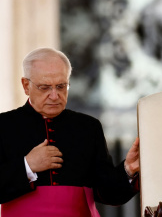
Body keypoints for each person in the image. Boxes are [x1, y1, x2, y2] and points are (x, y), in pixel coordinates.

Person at [0, 47, 140, 216]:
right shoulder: (4, 125)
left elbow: (108, 194)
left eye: (61, 86)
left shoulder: (88, 127)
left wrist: (128, 169)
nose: (54, 95)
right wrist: (28, 166)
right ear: (26, 85)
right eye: (45, 87)